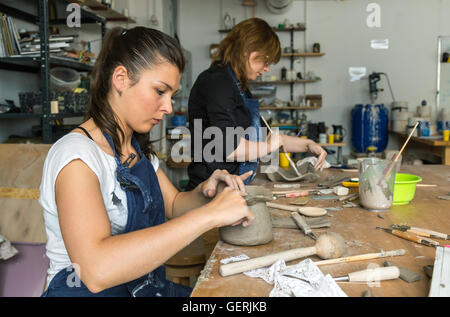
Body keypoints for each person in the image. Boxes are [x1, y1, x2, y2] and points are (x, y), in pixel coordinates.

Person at [39, 27, 254, 297]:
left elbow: (174, 204)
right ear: (121, 78)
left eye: (171, 95)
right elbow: (95, 270)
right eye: (159, 91)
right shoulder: (77, 157)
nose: (168, 107)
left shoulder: (137, 150)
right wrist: (209, 216)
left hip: (143, 289)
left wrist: (208, 193)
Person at [186, 18, 327, 191]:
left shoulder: (239, 87)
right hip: (211, 190)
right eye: (265, 61)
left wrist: (307, 145)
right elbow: (231, 148)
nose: (267, 68)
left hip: (234, 186)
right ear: (248, 50)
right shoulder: (217, 83)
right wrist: (269, 147)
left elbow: (267, 136)